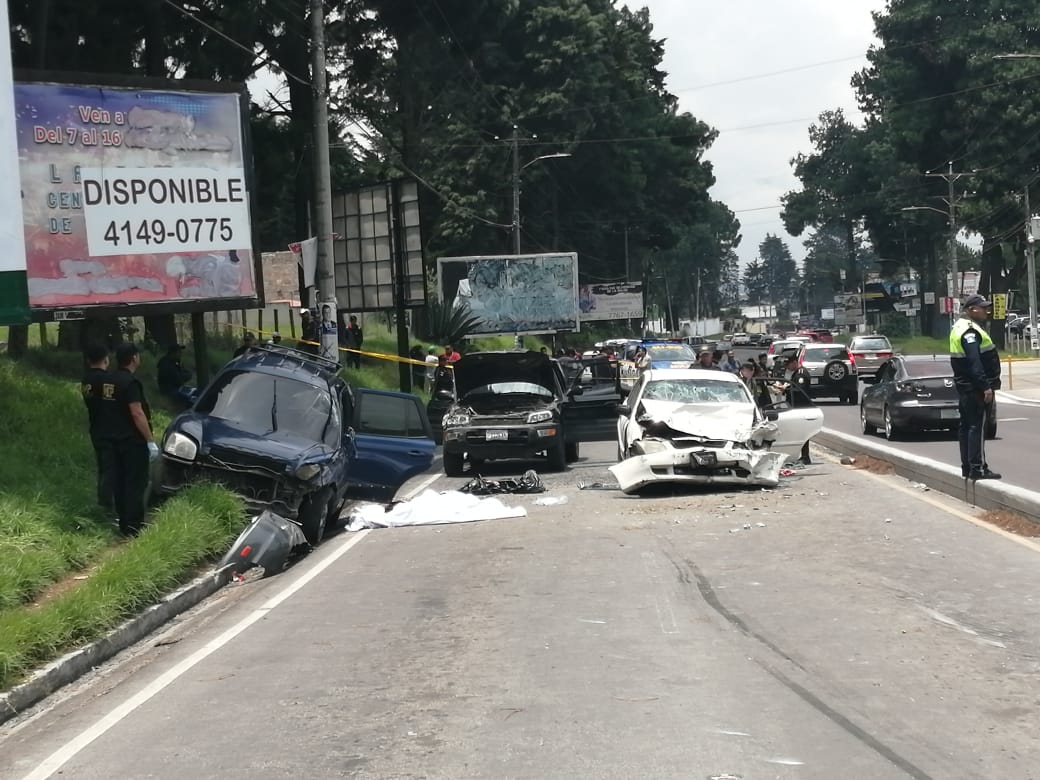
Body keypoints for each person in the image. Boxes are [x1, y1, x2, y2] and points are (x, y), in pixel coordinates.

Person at [950, 294, 1001, 480]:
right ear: (972, 310)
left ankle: (968, 466)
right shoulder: (970, 331)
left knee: (966, 427)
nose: (986, 311)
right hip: (974, 387)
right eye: (982, 308)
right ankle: (977, 468)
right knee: (977, 427)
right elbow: (974, 362)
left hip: (965, 386)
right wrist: (985, 386)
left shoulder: (959, 327)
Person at [110, 343, 158, 536]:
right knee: (135, 483)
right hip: (133, 441)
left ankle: (123, 521)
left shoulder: (110, 380)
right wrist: (149, 440)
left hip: (114, 438)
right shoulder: (130, 383)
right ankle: (134, 526)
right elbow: (137, 412)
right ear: (134, 358)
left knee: (120, 481)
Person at [81, 342, 116, 513]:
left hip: (95, 427)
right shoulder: (107, 380)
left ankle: (103, 500)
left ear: (88, 360)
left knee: (102, 466)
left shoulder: (86, 380)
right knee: (111, 468)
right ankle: (106, 505)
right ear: (106, 359)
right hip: (111, 429)